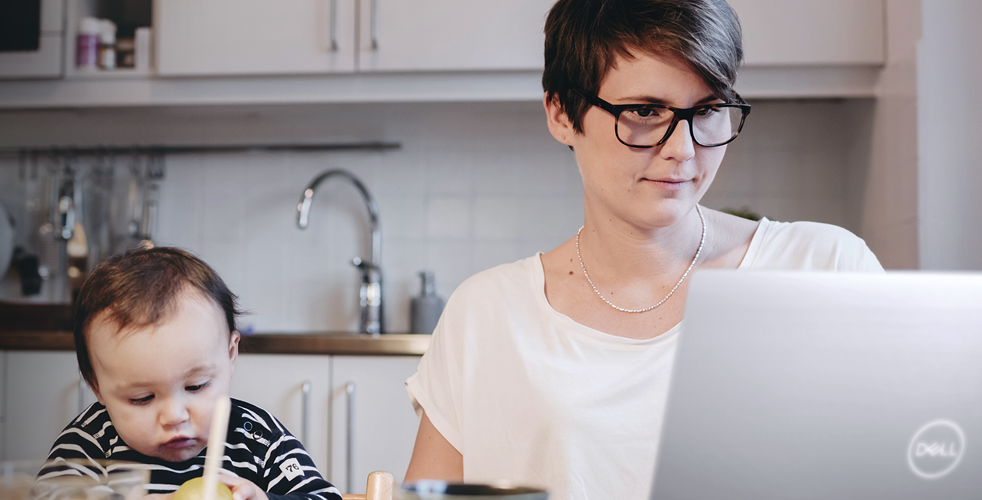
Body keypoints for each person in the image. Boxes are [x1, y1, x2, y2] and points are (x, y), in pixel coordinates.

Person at [402, 1, 883, 499]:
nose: (683, 149)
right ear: (562, 112)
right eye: (646, 111)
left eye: (708, 110)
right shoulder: (486, 315)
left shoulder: (826, 269)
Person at [46, 246, 341, 500]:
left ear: (230, 354)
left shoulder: (256, 438)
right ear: (96, 385)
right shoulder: (91, 443)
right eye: (142, 398)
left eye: (196, 386)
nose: (175, 416)